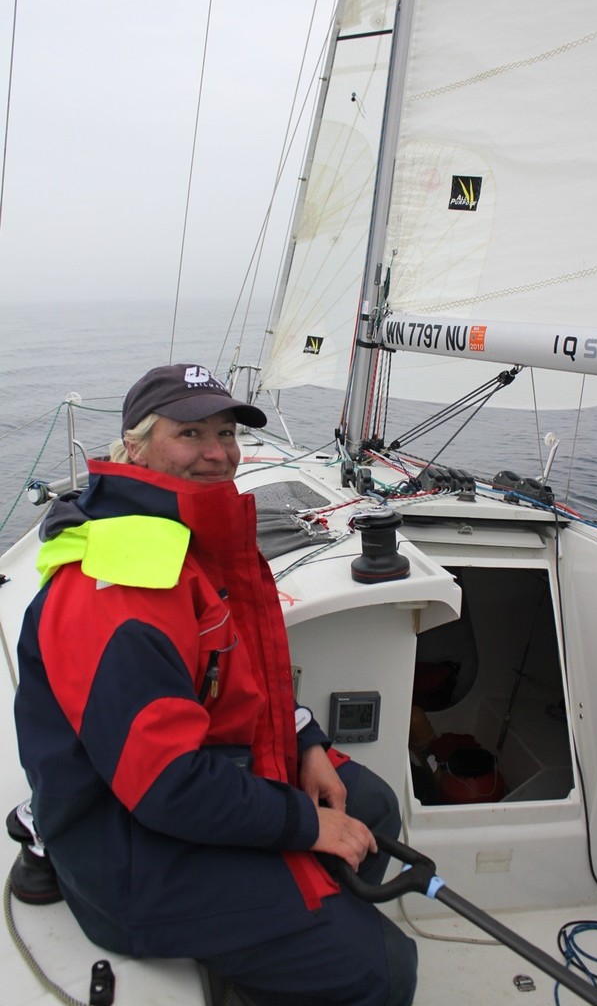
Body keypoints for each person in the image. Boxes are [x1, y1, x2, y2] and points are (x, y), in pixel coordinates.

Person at [14, 363, 417, 1006]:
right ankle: (310, 939)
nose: (217, 453)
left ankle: (291, 940)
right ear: (137, 445)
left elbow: (238, 670)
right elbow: (167, 785)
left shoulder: (185, 537)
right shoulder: (120, 590)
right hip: (126, 848)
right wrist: (302, 827)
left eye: (227, 433)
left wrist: (305, 739)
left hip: (194, 781)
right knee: (381, 969)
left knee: (370, 808)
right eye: (191, 433)